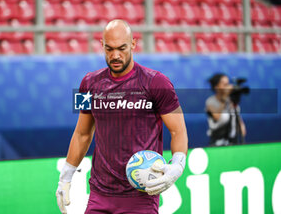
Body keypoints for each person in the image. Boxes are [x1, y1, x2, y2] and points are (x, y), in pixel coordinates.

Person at [56, 19, 188, 214]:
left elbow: (178, 130)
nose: (115, 55)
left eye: (122, 48)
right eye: (109, 49)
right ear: (101, 45)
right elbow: (82, 133)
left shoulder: (157, 82)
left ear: (133, 44)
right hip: (99, 194)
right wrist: (65, 177)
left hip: (140, 196)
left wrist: (177, 166)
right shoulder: (87, 83)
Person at [206, 73, 247, 146]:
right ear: (216, 87)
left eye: (228, 84)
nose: (227, 87)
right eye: (224, 85)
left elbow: (242, 129)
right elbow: (217, 117)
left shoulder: (230, 102)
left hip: (232, 142)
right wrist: (225, 97)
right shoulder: (210, 101)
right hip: (217, 143)